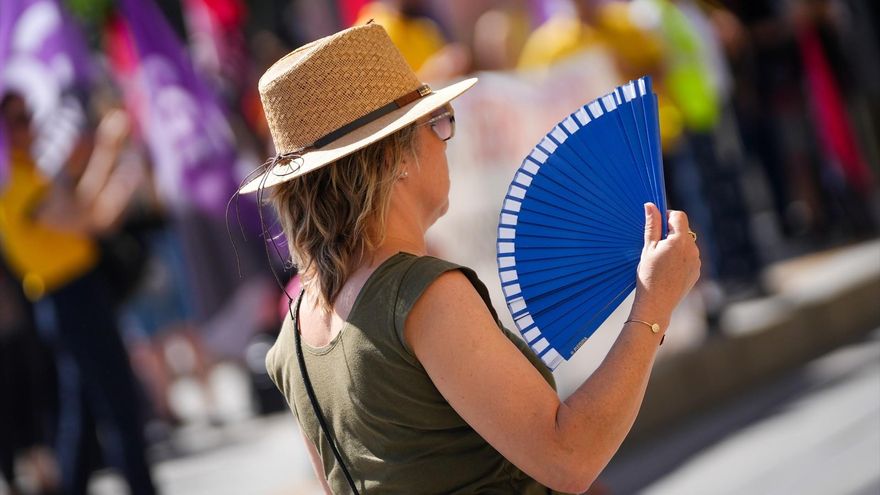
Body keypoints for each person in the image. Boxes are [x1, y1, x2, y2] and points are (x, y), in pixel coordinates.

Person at [246, 24, 700, 494]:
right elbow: (569, 457)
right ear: (392, 159)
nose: (446, 139)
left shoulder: (292, 337)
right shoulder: (423, 296)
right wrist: (653, 305)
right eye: (437, 121)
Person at [0, 93, 157, 495]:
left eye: (28, 115)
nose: (29, 125)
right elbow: (85, 217)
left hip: (74, 296)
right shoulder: (13, 183)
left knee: (83, 412)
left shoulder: (25, 169)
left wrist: (109, 164)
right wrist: (108, 151)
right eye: (18, 120)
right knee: (118, 404)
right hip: (69, 298)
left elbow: (85, 210)